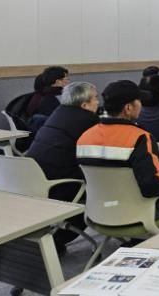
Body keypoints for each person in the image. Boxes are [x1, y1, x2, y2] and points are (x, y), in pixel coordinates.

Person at [77, 80, 159, 230]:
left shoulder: (85, 137)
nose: (141, 105)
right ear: (128, 108)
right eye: (139, 101)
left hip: (99, 212)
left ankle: (138, 240)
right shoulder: (140, 138)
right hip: (138, 213)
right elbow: (152, 185)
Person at [26, 82, 100, 252]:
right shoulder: (89, 121)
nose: (98, 102)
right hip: (61, 186)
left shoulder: (57, 113)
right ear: (84, 105)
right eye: (95, 98)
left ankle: (55, 240)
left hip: (34, 181)